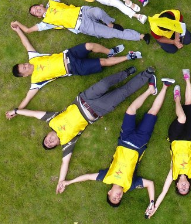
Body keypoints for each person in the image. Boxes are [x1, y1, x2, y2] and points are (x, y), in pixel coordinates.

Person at [5, 66, 154, 193]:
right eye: (51, 144)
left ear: (48, 134)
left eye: (46, 140)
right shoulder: (68, 142)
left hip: (84, 98)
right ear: (57, 144)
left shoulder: (51, 120)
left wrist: (16, 111)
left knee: (104, 84)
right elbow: (65, 163)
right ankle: (146, 74)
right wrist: (61, 181)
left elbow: (33, 114)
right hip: (97, 110)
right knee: (122, 93)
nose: (49, 141)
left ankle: (125, 73)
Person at [56, 77, 175, 212]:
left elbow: (88, 177)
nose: (118, 197)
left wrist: (68, 182)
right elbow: (150, 184)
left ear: (109, 192)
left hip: (124, 140)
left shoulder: (106, 177)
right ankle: (165, 87)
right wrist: (152, 202)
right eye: (119, 199)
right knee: (152, 112)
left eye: (114, 198)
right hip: (139, 144)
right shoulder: (130, 185)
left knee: (130, 110)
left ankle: (150, 90)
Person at [9, 21, 142, 109]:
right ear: (25, 75)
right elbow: (27, 98)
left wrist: (18, 30)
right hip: (75, 68)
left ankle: (110, 52)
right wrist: (16, 110)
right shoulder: (36, 81)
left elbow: (25, 43)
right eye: (24, 68)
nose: (26, 65)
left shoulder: (33, 58)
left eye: (24, 64)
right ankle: (128, 57)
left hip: (70, 54)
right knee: (102, 62)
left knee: (89, 45)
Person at [146, 70, 191, 218]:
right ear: (189, 185)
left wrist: (154, 209)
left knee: (183, 118)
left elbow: (163, 192)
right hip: (190, 138)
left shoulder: (173, 174)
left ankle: (177, 99)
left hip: (175, 138)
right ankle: (187, 79)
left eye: (181, 189)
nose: (184, 187)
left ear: (177, 185)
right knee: (189, 106)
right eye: (186, 189)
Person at [19, 0, 151, 44]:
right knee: (112, 34)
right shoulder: (46, 22)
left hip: (84, 11)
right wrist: (17, 25)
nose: (36, 10)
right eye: (35, 13)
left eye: (36, 7)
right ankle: (140, 36)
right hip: (83, 26)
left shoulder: (52, 2)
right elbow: (28, 30)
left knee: (98, 11)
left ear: (40, 5)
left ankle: (110, 23)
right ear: (38, 16)